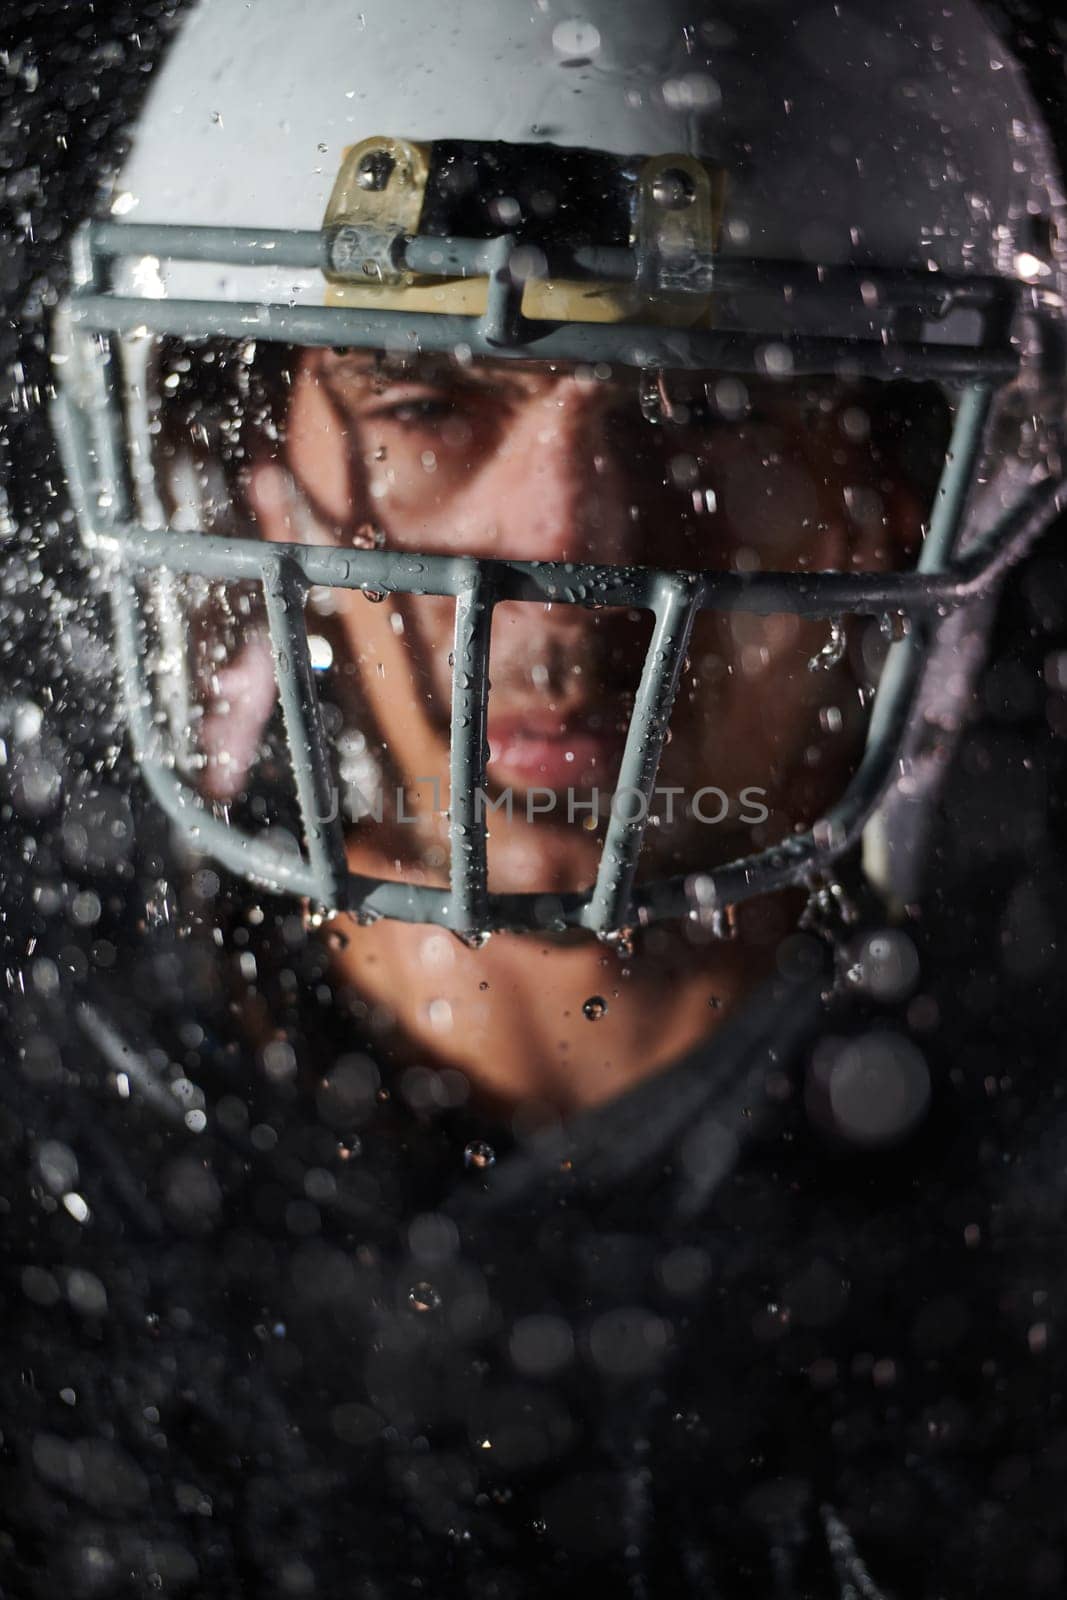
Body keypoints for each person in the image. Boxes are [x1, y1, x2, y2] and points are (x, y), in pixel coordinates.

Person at [3, 0, 1067, 1594]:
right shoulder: (51, 1141)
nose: (566, 553)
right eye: (426, 401)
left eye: (710, 405)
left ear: (898, 494)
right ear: (254, 462)